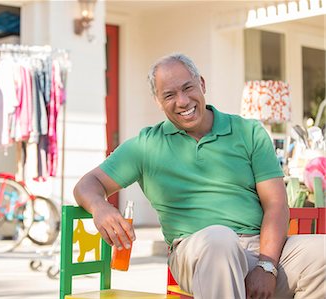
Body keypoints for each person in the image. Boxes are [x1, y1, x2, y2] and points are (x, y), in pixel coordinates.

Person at [73, 53, 325, 299]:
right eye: (169, 95)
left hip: (261, 250)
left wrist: (267, 265)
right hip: (197, 252)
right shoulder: (145, 146)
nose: (182, 101)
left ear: (202, 84)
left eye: (188, 88)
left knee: (321, 252)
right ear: (158, 101)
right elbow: (87, 184)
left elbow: (276, 204)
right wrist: (100, 207)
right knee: (220, 240)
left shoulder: (248, 132)